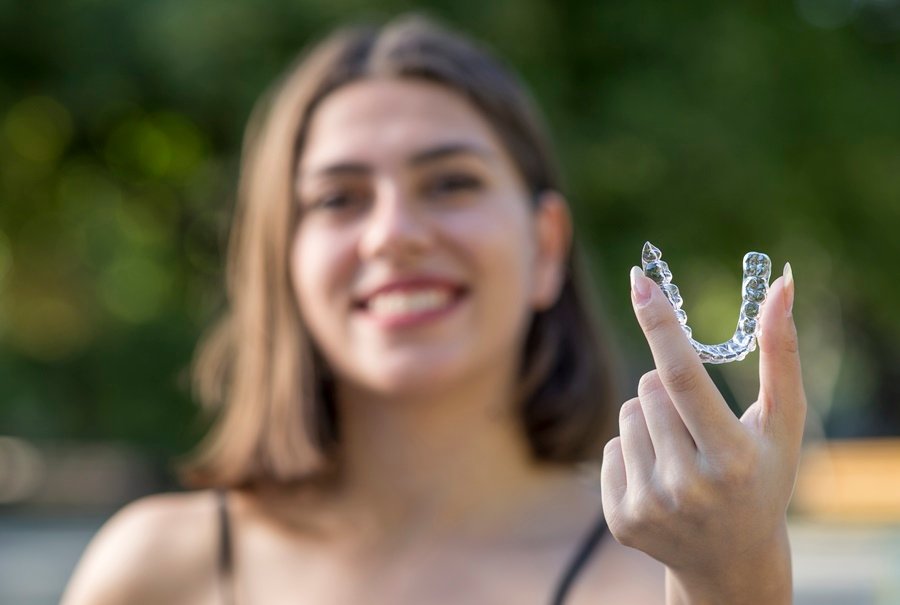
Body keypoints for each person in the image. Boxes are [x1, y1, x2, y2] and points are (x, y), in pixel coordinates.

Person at [61, 14, 806, 605]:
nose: (394, 234)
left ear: (546, 247)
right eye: (338, 198)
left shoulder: (658, 577)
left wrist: (735, 581)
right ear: (281, 262)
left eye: (450, 182)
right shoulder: (153, 572)